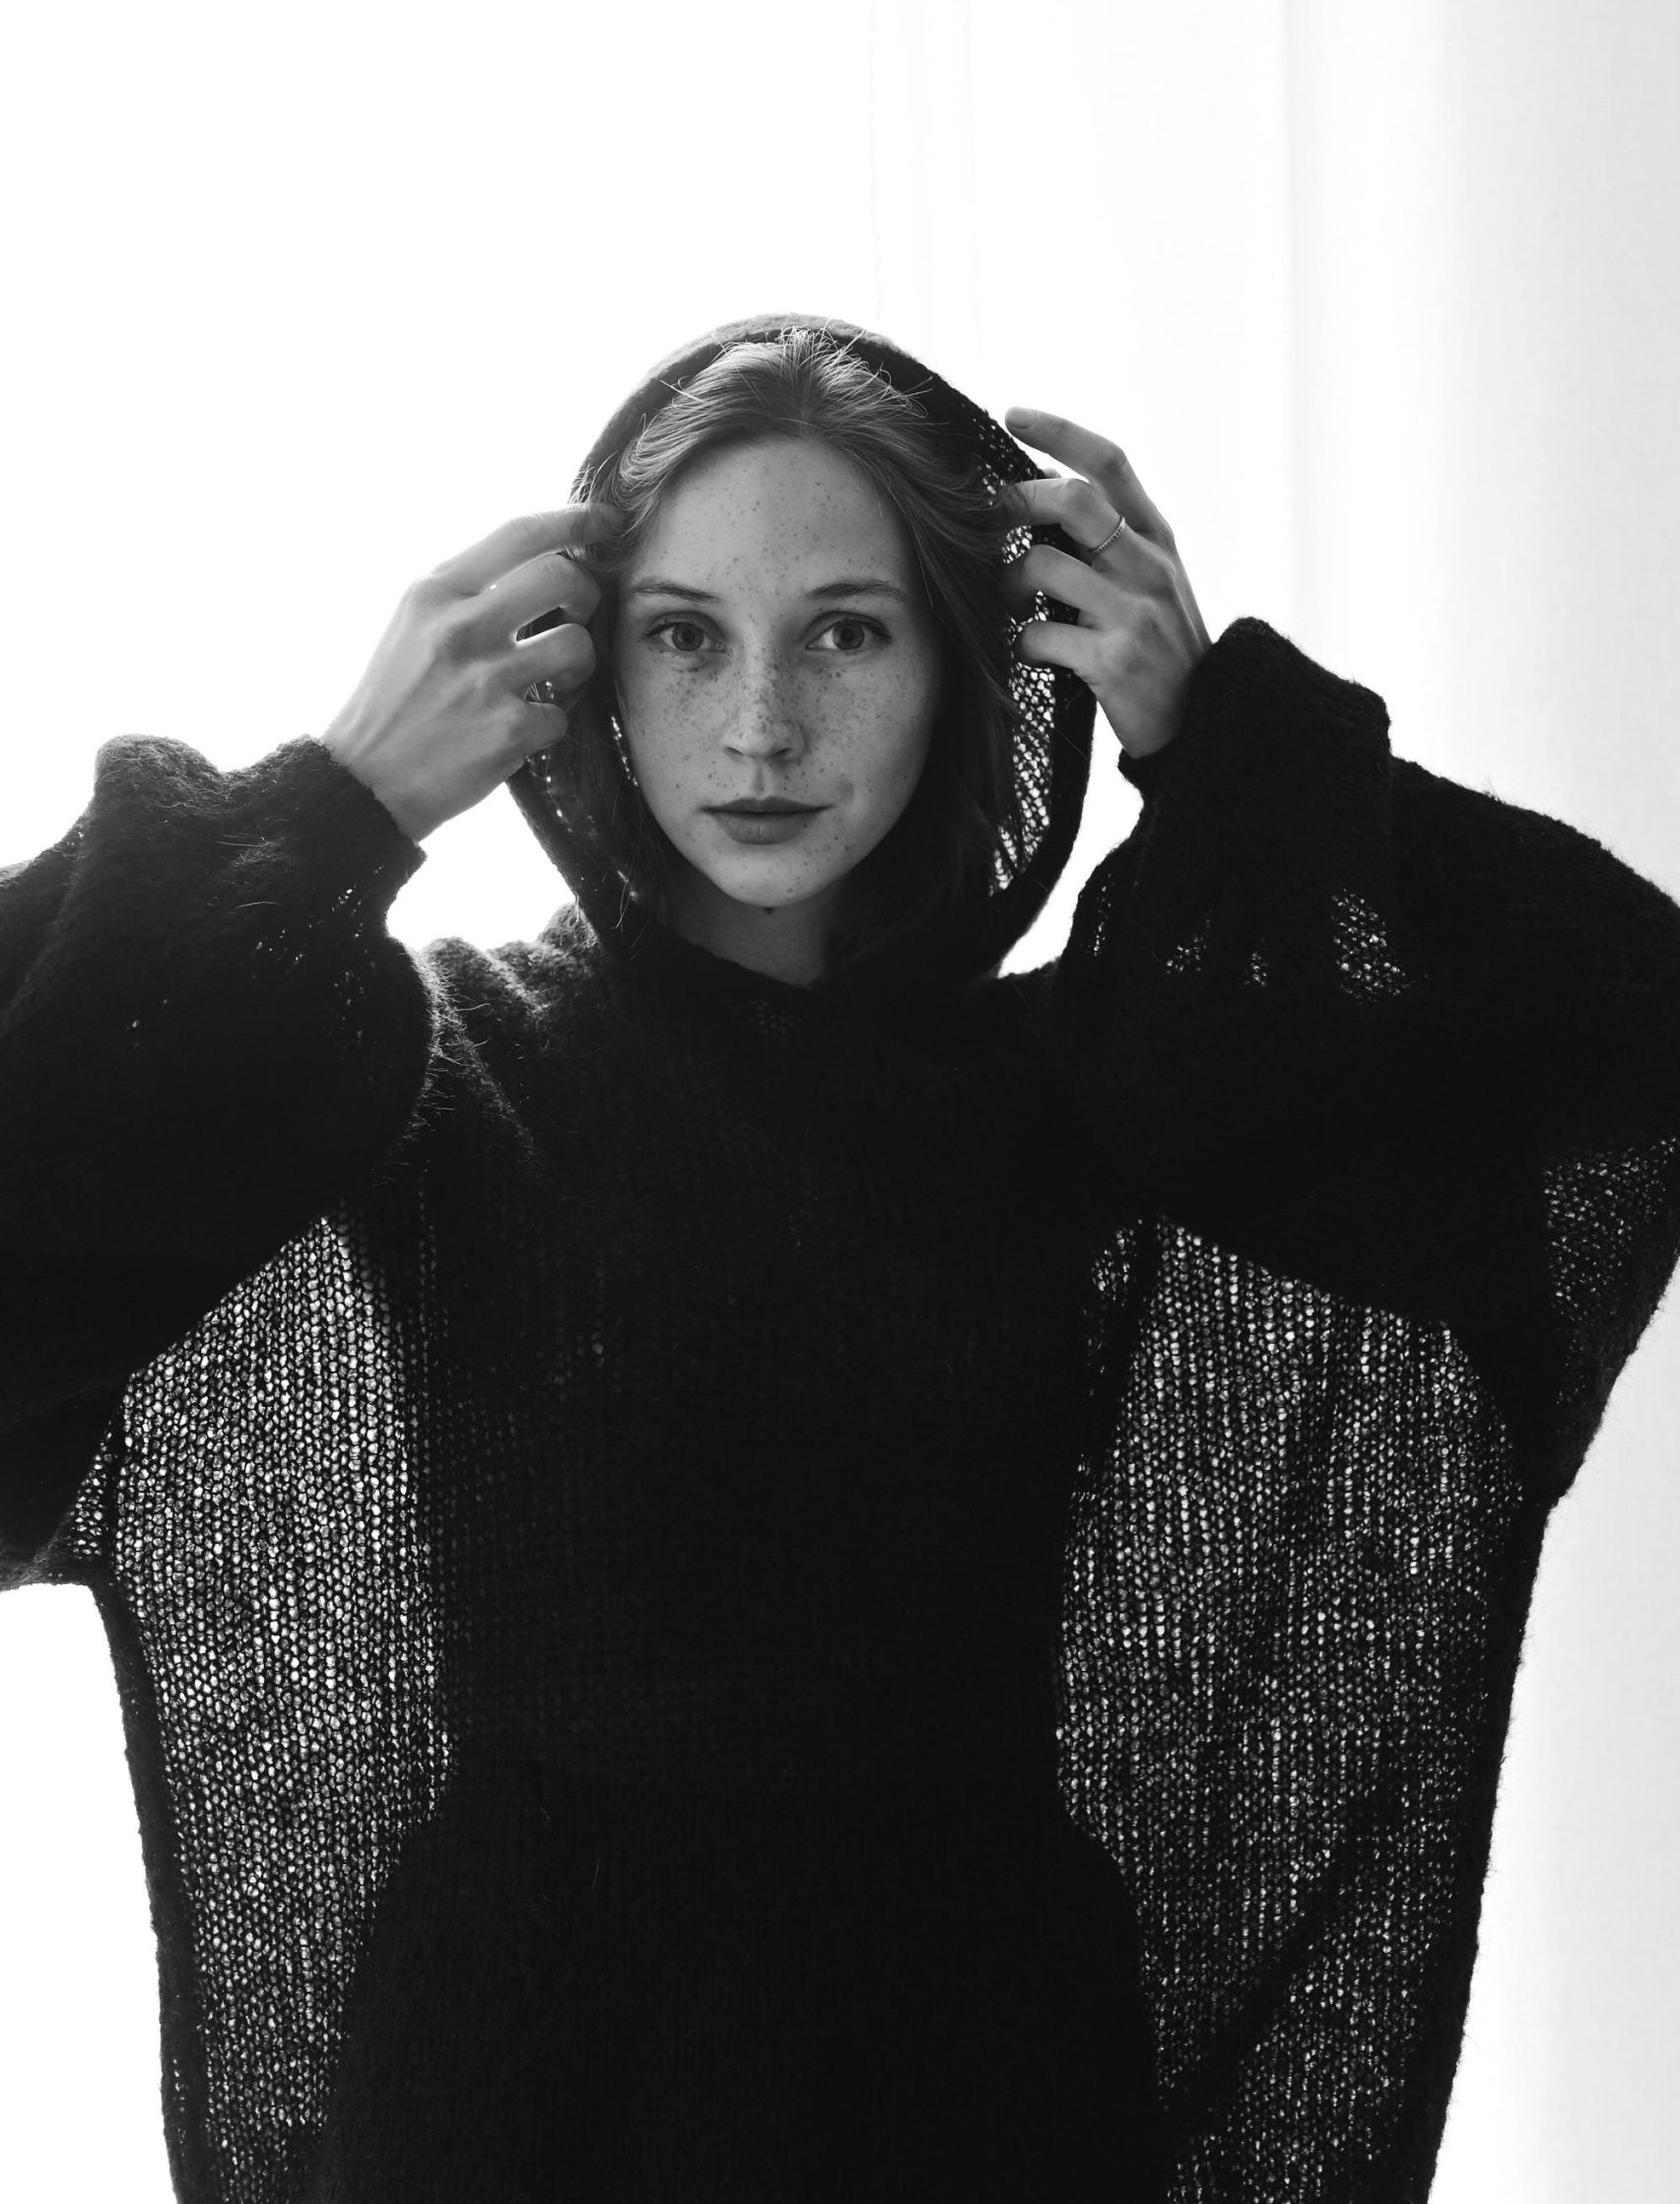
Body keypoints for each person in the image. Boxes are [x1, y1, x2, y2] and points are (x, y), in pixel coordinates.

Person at [1, 312, 1677, 2204]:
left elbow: (1618, 1055)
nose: (760, 726)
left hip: (981, 2072)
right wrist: (330, 811)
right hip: (513, 2083)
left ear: (973, 662)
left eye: (846, 633)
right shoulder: (435, 1083)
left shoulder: (1107, 1093)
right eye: (684, 635)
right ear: (589, 670)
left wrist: (1228, 741)